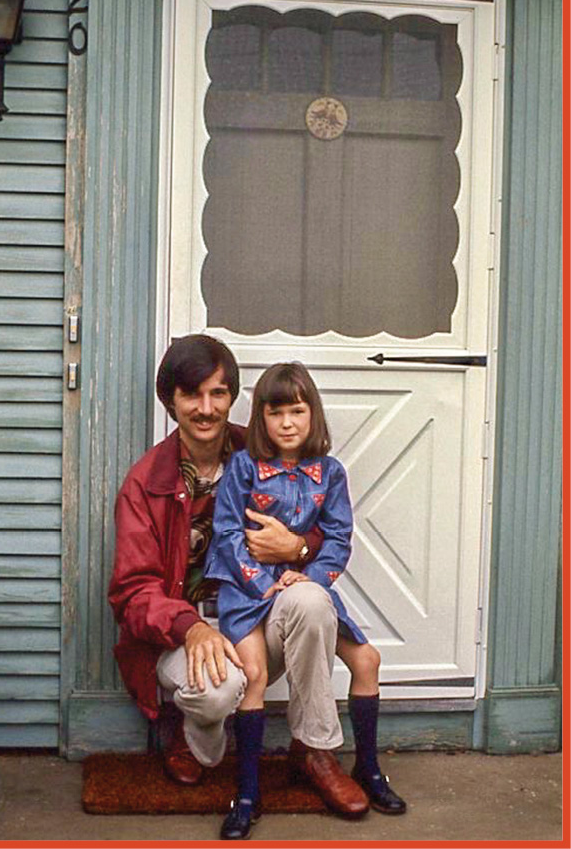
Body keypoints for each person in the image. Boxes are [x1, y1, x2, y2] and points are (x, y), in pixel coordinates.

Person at [108, 335, 360, 817]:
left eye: (218, 393)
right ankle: (191, 734)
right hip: (184, 630)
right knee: (218, 690)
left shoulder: (264, 451)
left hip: (257, 610)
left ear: (233, 397)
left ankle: (314, 750)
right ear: (171, 401)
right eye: (191, 395)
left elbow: (332, 529)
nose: (206, 408)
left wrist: (301, 547)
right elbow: (132, 591)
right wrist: (191, 627)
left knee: (312, 602)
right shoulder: (146, 483)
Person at [206, 362, 406, 839]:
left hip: (304, 590)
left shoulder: (330, 474)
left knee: (368, 659)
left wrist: (307, 574)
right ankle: (249, 792)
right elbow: (227, 532)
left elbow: (338, 540)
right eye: (276, 413)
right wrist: (260, 582)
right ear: (261, 420)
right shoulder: (245, 467)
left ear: (313, 414)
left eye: (297, 411)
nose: (288, 423)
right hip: (248, 595)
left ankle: (369, 769)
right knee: (253, 677)